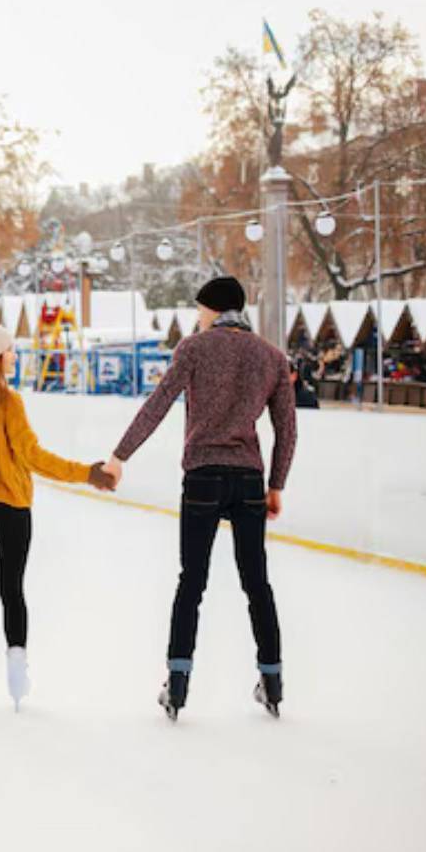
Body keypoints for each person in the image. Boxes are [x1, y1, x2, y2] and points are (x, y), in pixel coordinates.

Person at [102, 276, 296, 721]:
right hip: (249, 479)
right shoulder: (271, 357)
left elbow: (157, 403)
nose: (197, 317)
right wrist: (276, 485)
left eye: (200, 309)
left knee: (192, 581)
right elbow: (287, 428)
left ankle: (179, 682)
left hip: (203, 478)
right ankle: (273, 680)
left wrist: (119, 456)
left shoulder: (193, 348)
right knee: (256, 582)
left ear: (213, 309)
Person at [0, 324, 116, 712]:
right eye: (9, 351)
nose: (14, 357)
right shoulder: (9, 401)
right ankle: (17, 670)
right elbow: (33, 456)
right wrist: (86, 473)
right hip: (13, 508)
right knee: (12, 589)